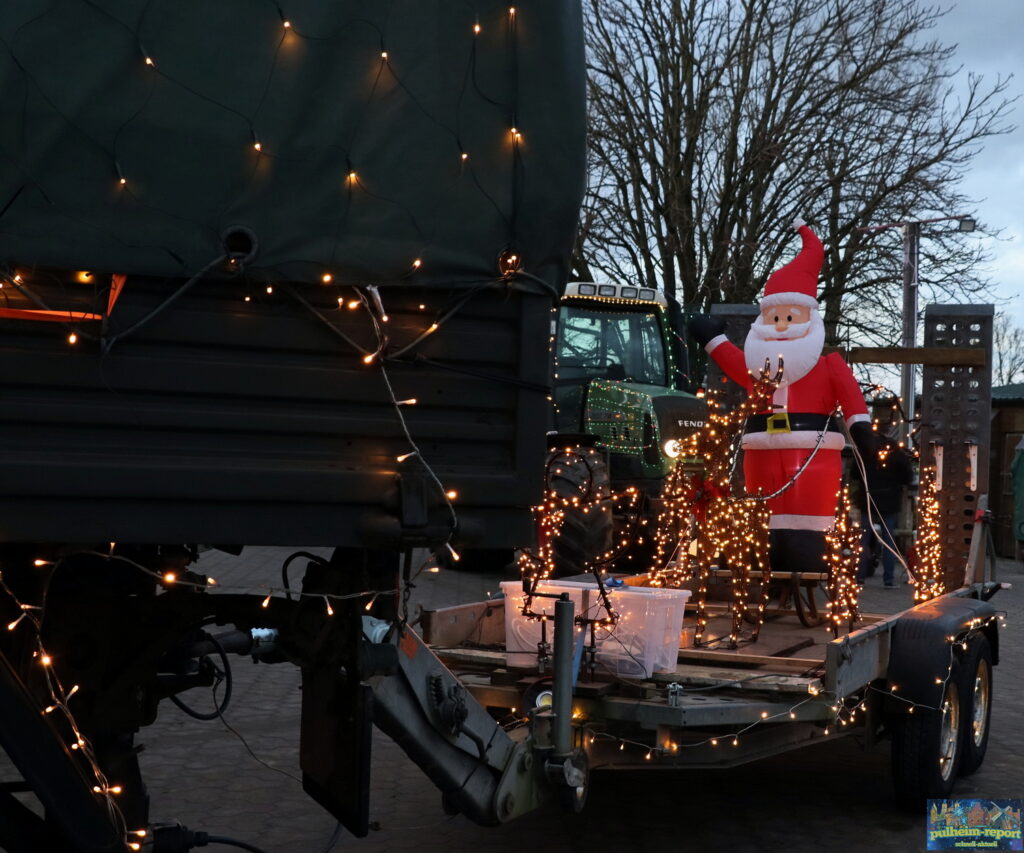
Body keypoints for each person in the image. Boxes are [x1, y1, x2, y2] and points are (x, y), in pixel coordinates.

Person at [688, 219, 875, 574]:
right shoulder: (756, 365)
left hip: (813, 454)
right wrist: (711, 339)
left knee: (809, 517)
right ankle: (764, 560)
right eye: (775, 316)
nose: (782, 324)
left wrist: (861, 428)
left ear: (809, 317)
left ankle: (809, 558)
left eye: (790, 316)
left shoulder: (829, 365)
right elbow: (732, 360)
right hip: (761, 452)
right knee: (761, 510)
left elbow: (851, 398)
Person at [856, 436, 914, 587]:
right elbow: (908, 477)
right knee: (889, 541)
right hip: (889, 501)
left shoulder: (866, 453)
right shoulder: (897, 455)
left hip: (868, 501)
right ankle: (888, 579)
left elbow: (855, 475)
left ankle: (859, 577)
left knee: (864, 541)